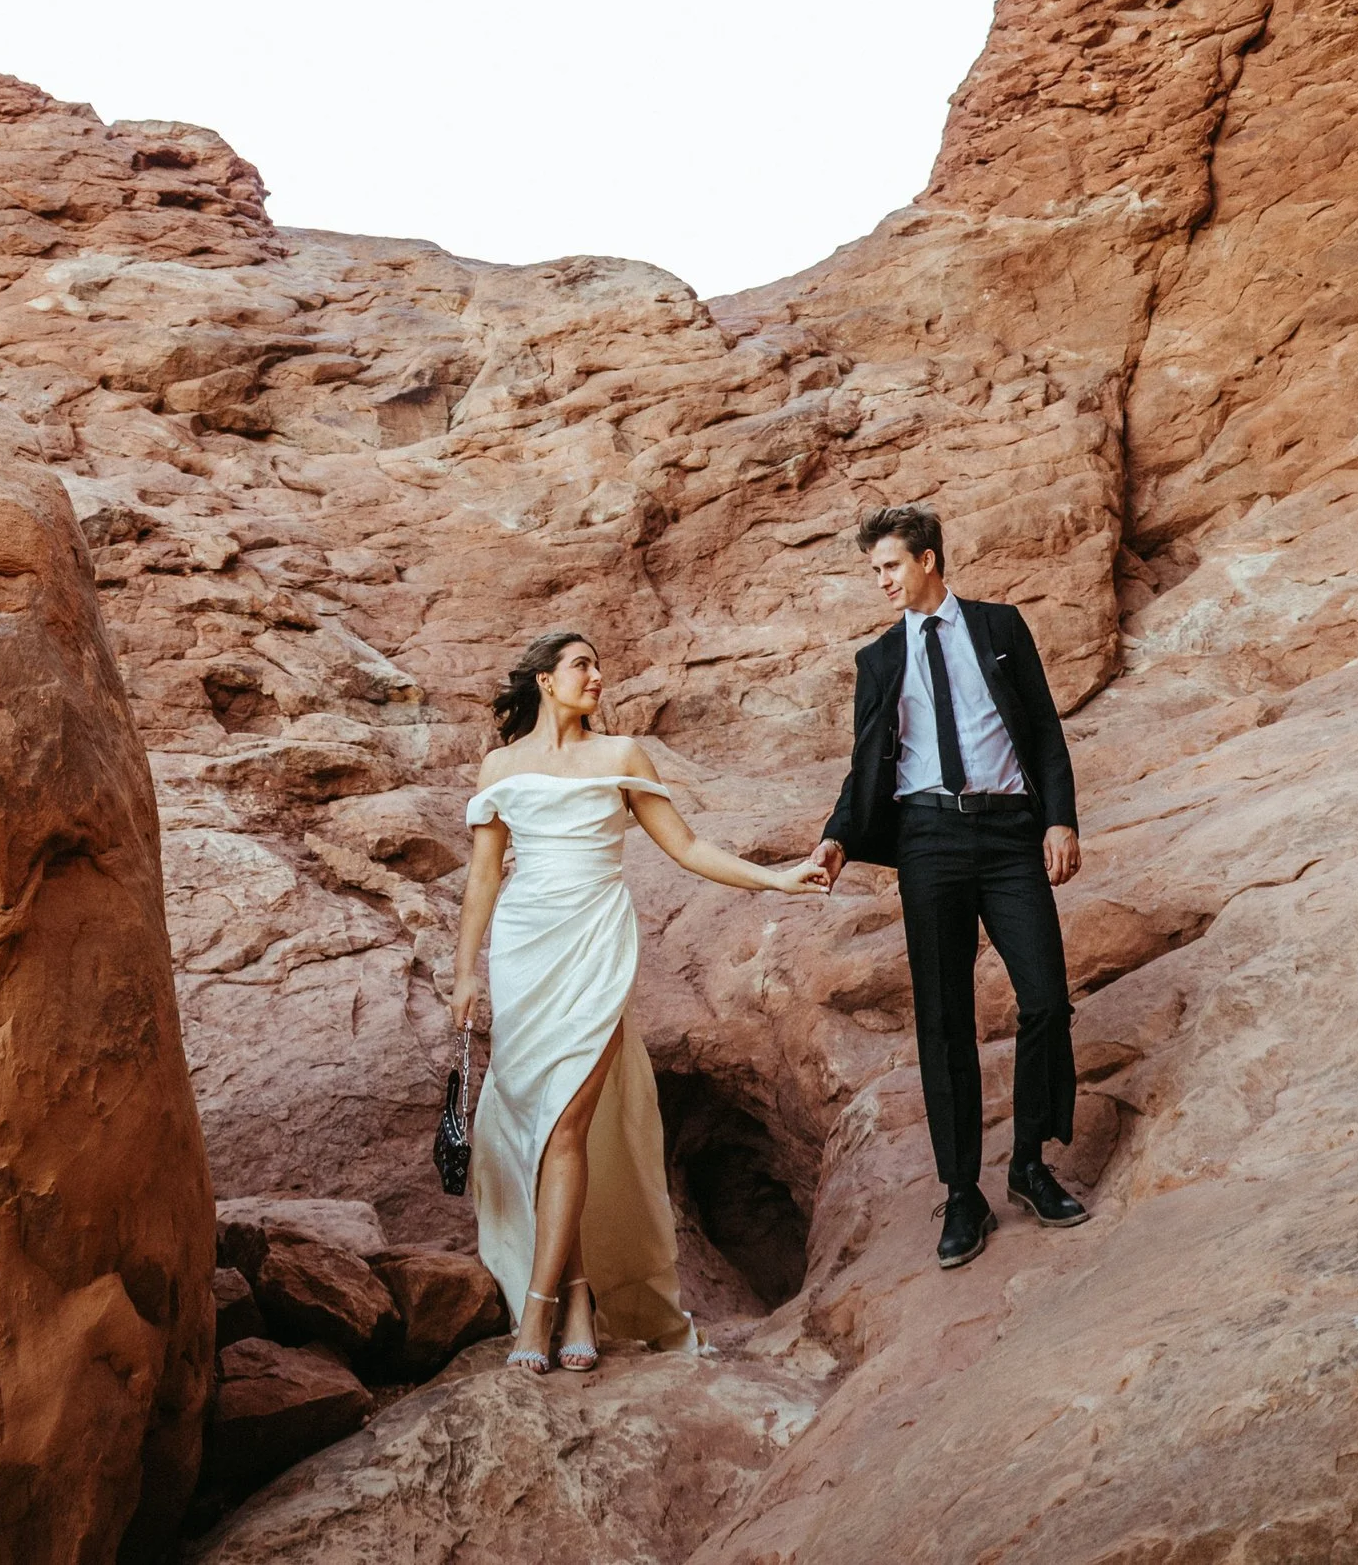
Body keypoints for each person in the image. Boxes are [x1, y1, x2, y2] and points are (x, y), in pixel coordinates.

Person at [452, 626, 823, 1370]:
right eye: (582, 665)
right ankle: (581, 1295)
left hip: (593, 947)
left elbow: (685, 847)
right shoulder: (500, 765)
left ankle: (537, 1315)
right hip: (525, 952)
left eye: (597, 663)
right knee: (542, 1128)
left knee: (564, 1126)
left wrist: (778, 879)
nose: (598, 676)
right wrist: (466, 972)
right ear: (545, 682)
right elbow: (486, 876)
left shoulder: (620, 756)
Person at [793, 502, 1087, 1272]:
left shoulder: (999, 627)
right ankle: (962, 1192)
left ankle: (1030, 1163)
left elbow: (1046, 730)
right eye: (874, 570)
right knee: (944, 1019)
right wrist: (838, 836)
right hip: (929, 839)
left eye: (890, 565)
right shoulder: (880, 659)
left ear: (927, 559)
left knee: (1047, 999)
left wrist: (1059, 819)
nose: (882, 581)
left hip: (1010, 834)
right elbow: (866, 764)